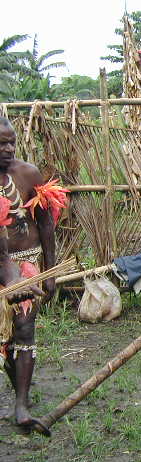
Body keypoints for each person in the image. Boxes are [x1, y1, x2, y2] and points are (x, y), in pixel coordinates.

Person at [0, 116, 59, 434]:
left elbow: (46, 223)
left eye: (11, 142)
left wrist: (49, 270)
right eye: (1, 144)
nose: (8, 149)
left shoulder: (28, 174)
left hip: (27, 264)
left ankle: (21, 403)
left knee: (23, 328)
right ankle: (19, 390)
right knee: (5, 337)